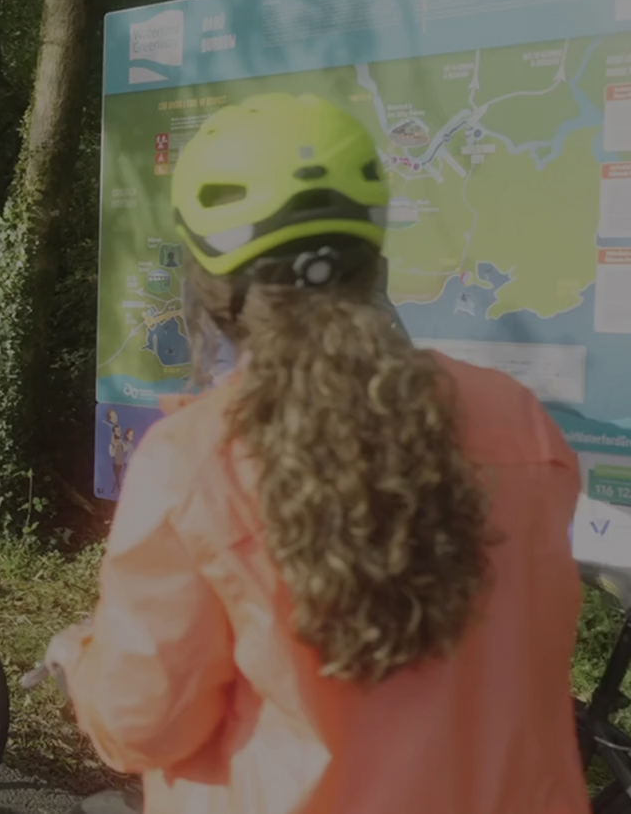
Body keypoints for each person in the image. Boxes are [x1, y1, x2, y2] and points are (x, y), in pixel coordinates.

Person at [39, 93, 588, 814]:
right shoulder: (515, 420)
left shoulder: (196, 461)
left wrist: (79, 658)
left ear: (216, 288)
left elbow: (146, 725)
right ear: (373, 261)